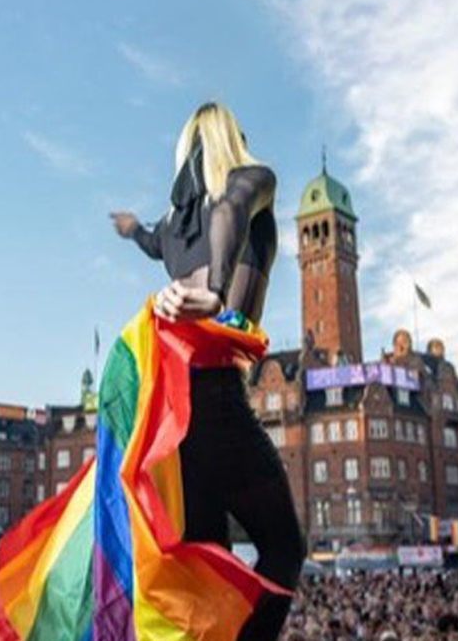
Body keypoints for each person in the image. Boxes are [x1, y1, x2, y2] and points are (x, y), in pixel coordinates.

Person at [111, 102, 305, 641]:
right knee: (285, 547)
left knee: (208, 563)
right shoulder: (252, 178)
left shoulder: (174, 226)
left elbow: (153, 239)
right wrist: (218, 290)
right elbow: (231, 208)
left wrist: (130, 230)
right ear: (230, 137)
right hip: (216, 398)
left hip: (169, 417)